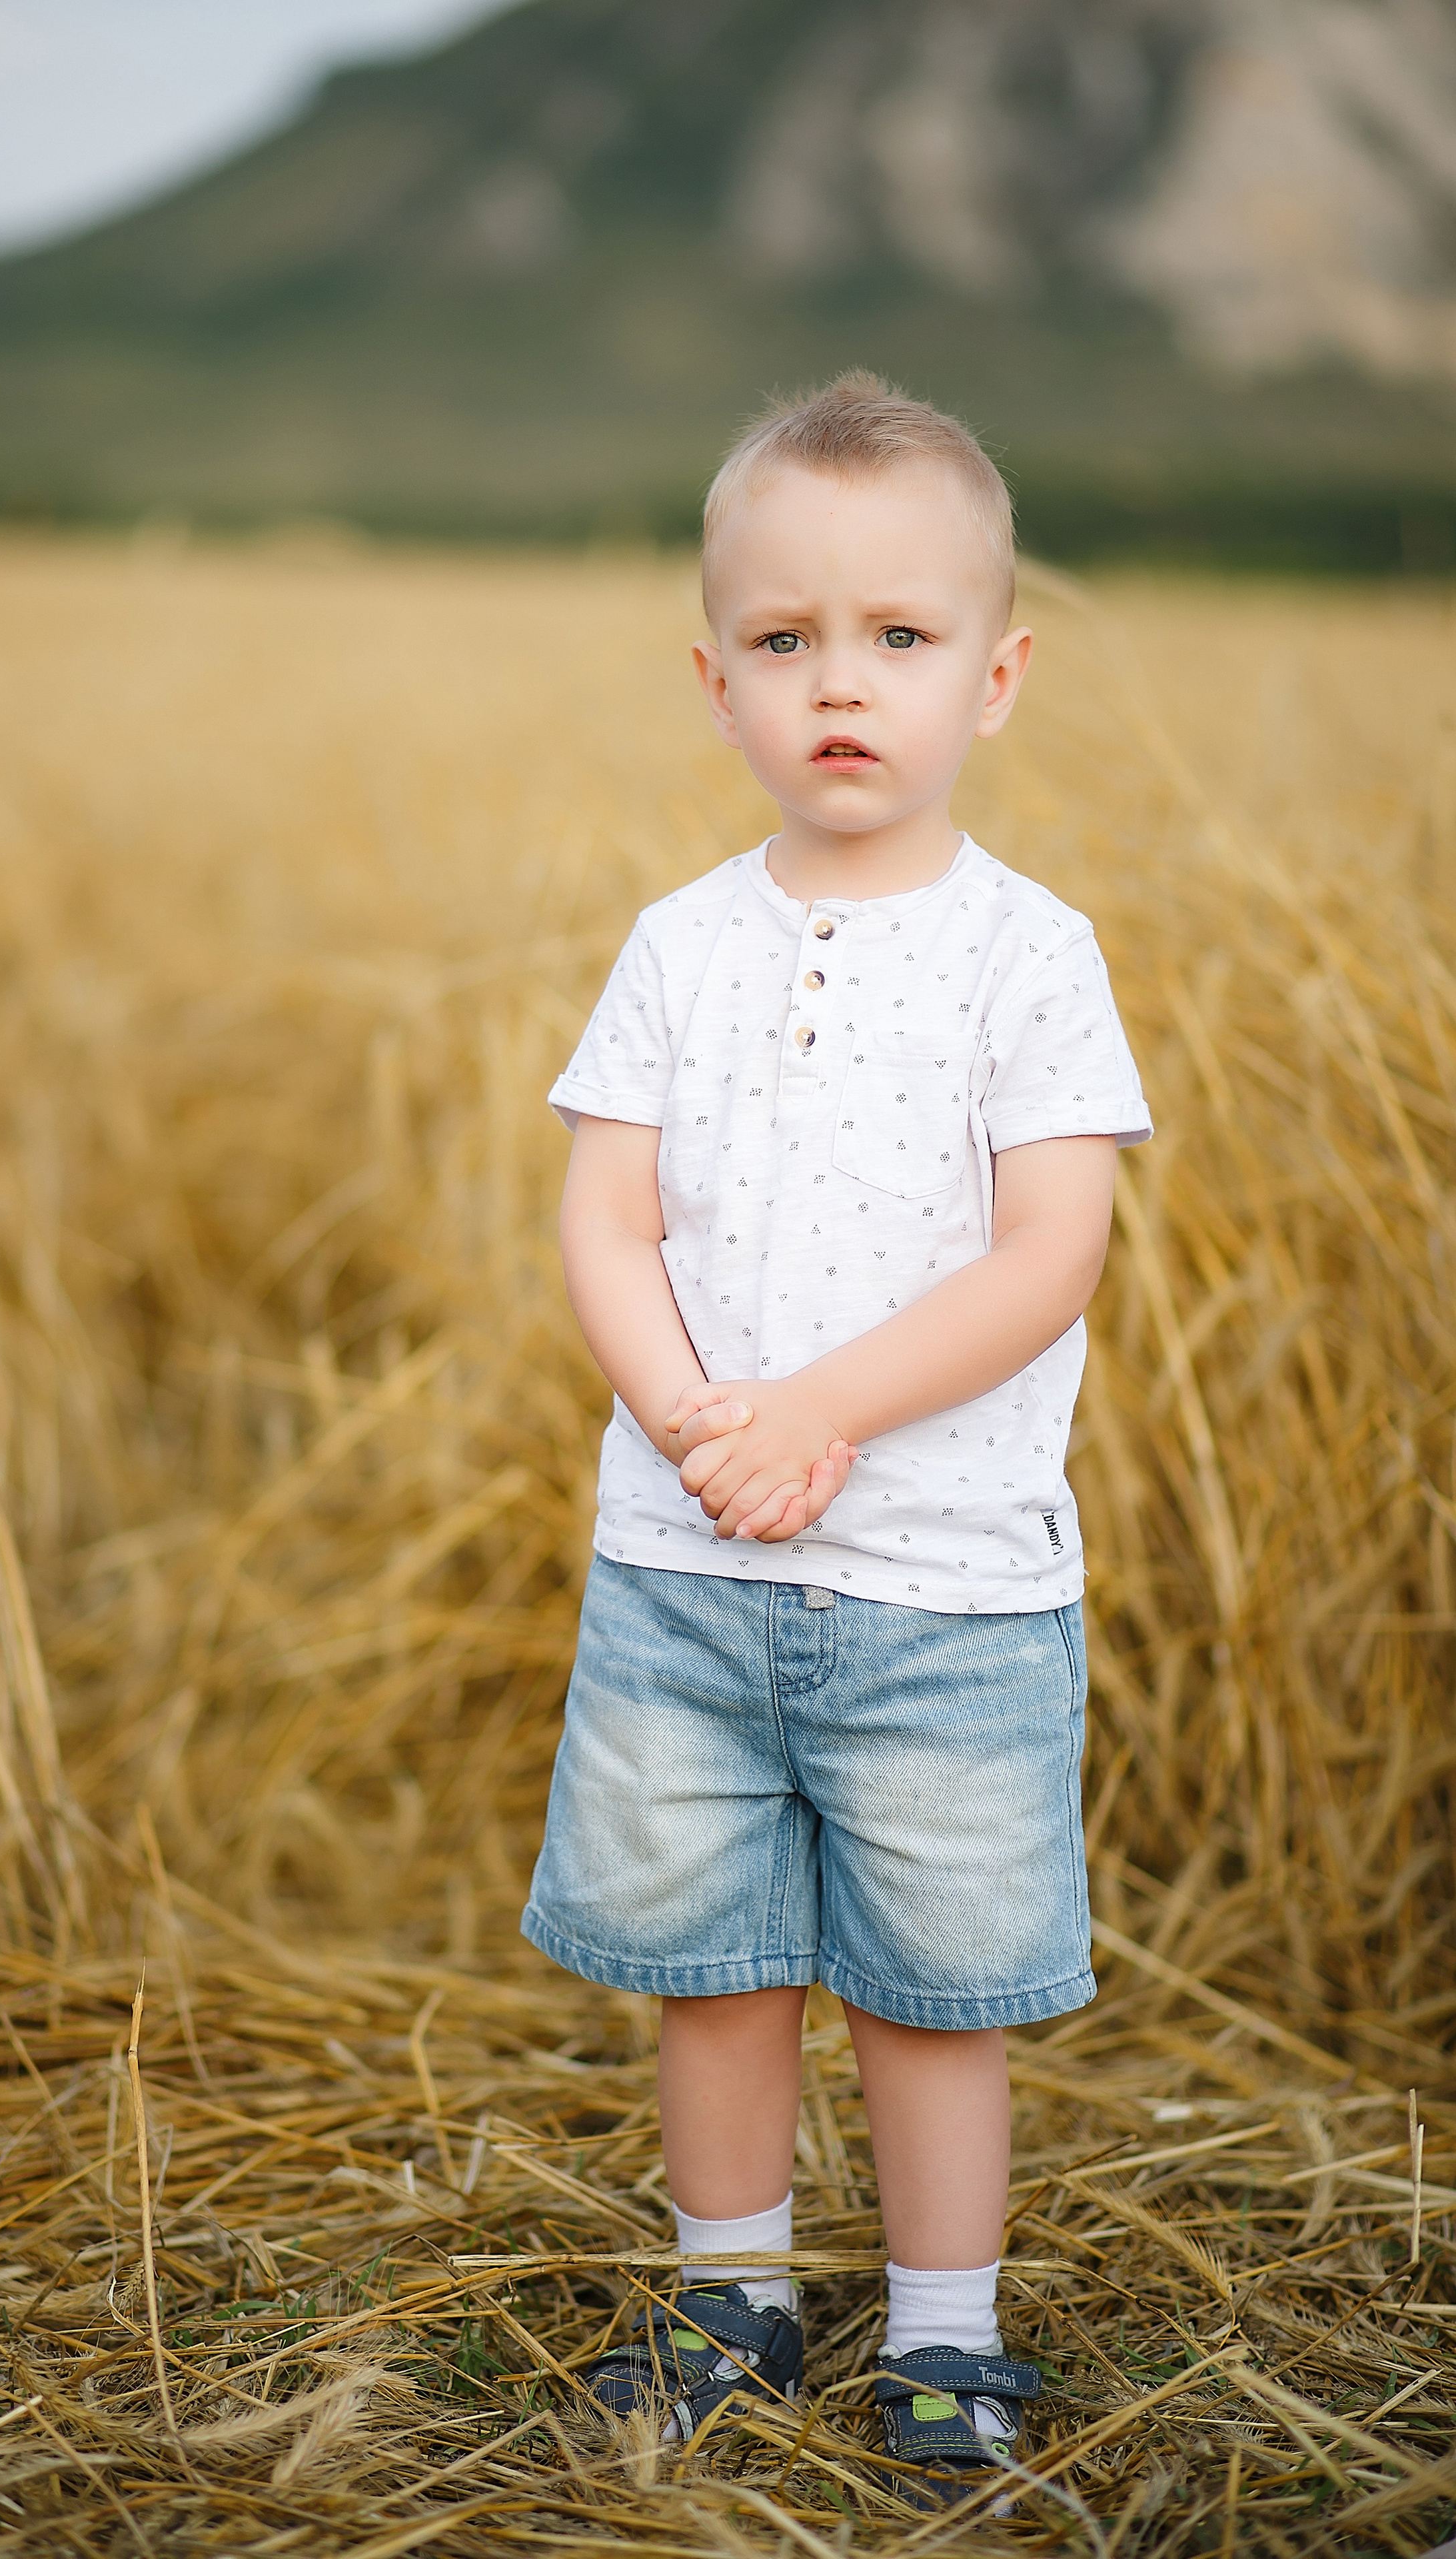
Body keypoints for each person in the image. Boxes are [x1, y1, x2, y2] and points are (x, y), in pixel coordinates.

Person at [520, 371, 1150, 2502]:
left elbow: (1048, 1252)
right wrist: (701, 1420)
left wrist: (819, 1414)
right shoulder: (680, 949)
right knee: (715, 1970)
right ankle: (731, 2295)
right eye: (785, 643)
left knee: (926, 1993)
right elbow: (603, 1212)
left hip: (942, 1586)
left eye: (899, 638)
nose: (841, 686)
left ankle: (949, 2336)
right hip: (687, 1566)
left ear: (998, 675)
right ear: (718, 683)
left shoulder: (1029, 959)